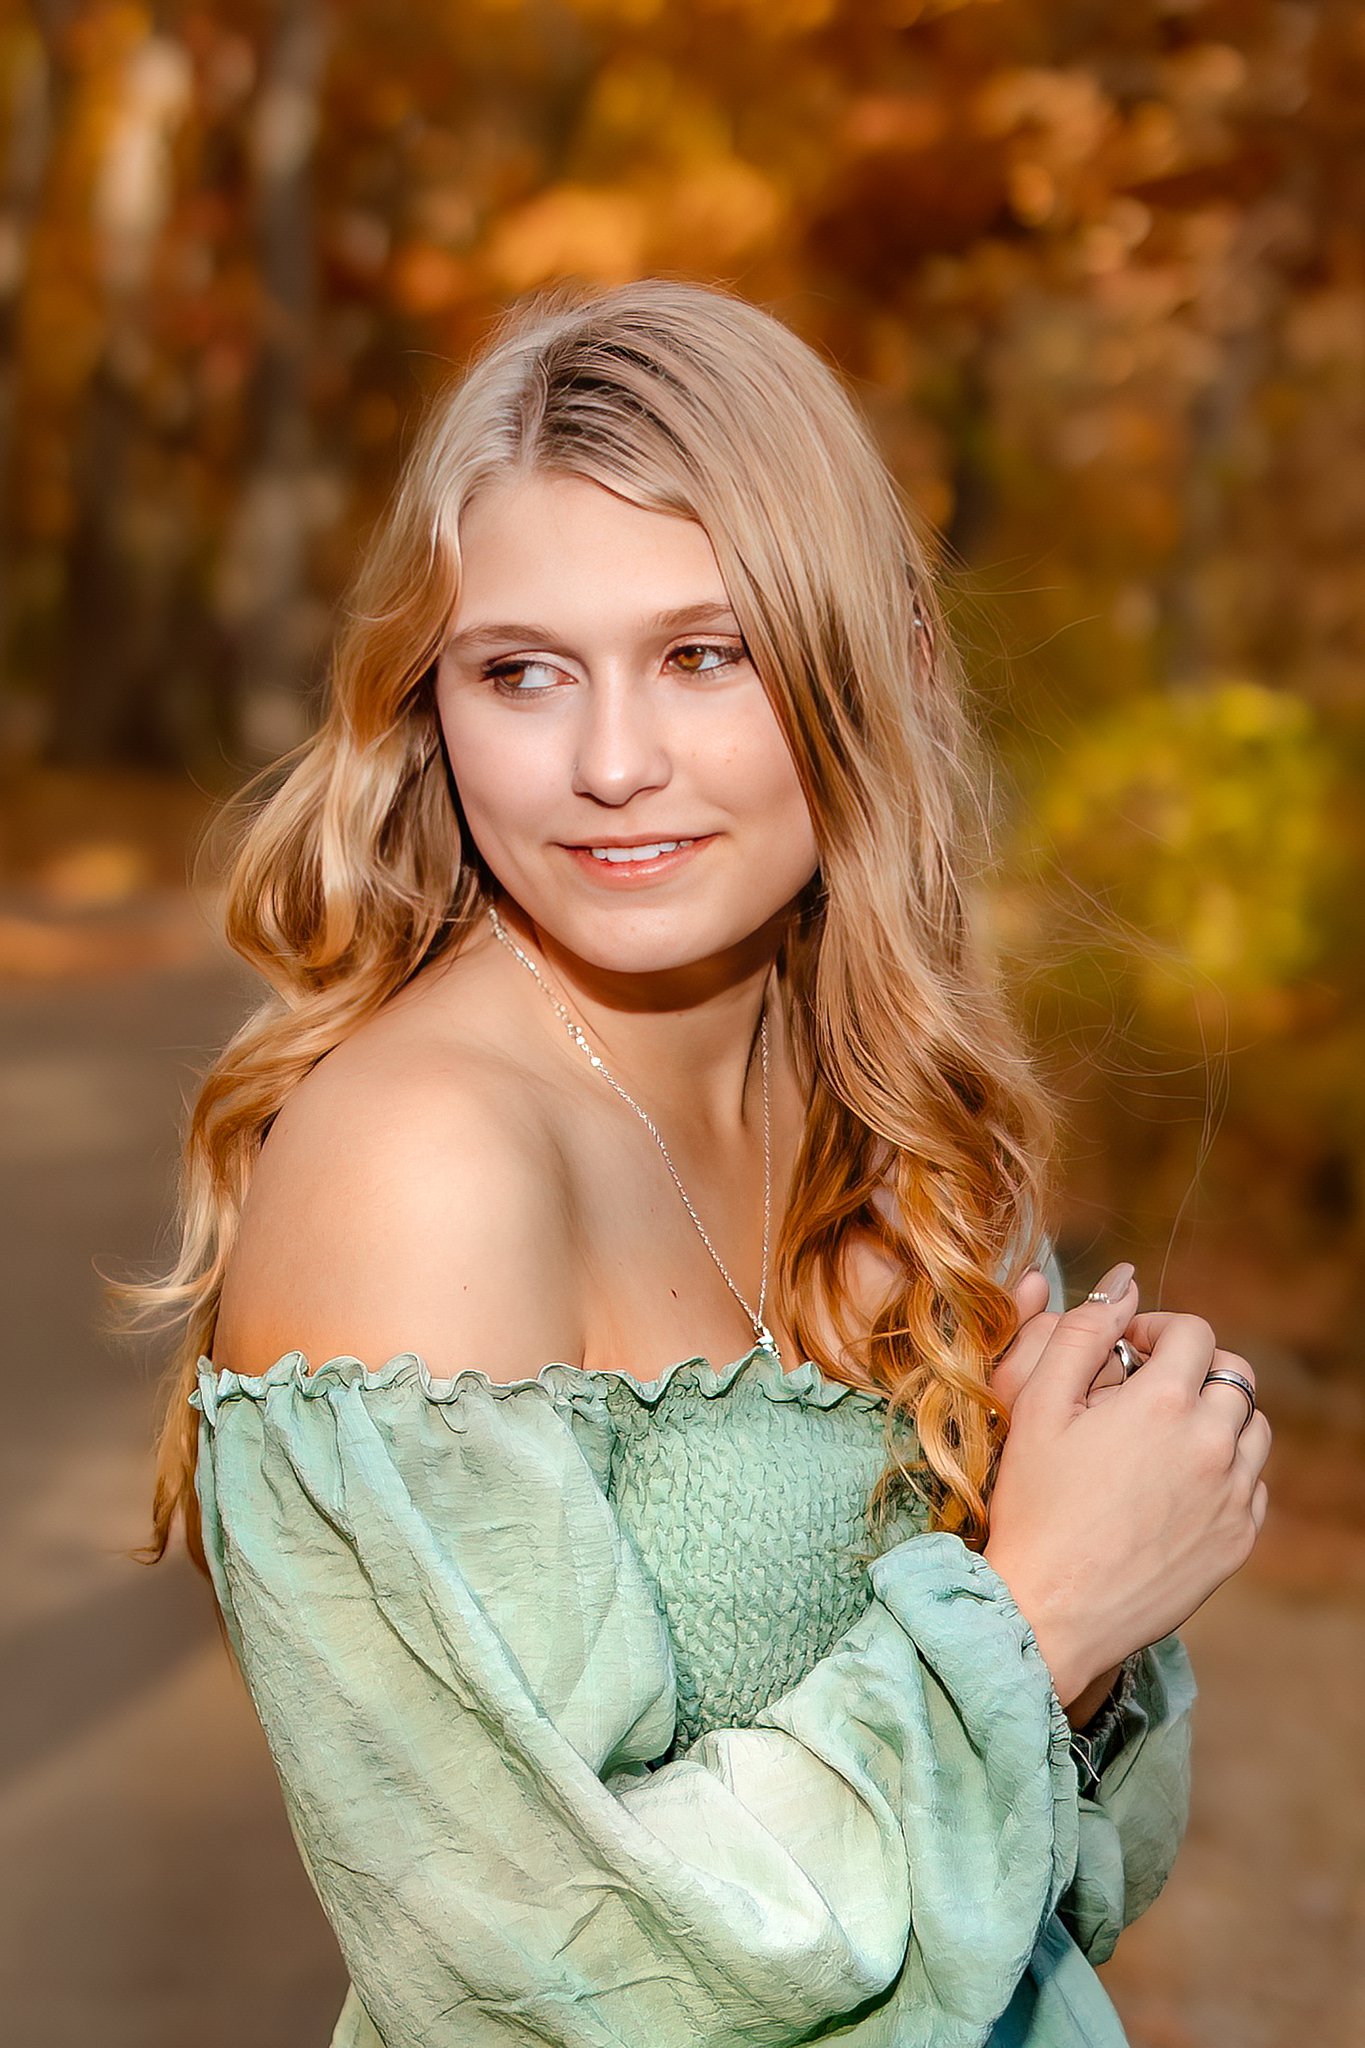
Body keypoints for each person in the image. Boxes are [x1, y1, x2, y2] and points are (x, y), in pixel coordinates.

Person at [125, 279, 1270, 2047]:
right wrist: (1034, 1616)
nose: (607, 764)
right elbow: (530, 1982)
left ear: (873, 660)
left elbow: (1074, 1883)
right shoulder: (423, 1160)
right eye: (521, 671)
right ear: (430, 705)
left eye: (702, 655)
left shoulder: (905, 1114)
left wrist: (1103, 1567)